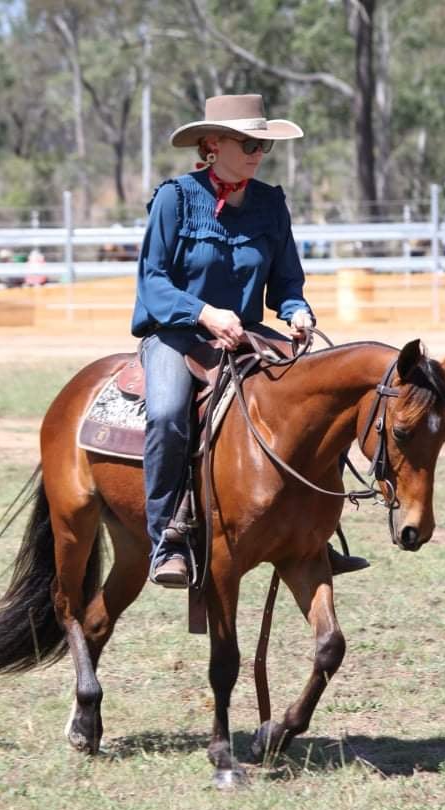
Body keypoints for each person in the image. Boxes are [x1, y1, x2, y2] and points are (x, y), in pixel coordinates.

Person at [131, 93, 314, 586]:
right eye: (248, 143)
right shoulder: (174, 198)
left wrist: (297, 311)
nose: (258, 153)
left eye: (263, 145)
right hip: (176, 334)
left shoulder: (270, 203)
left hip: (247, 335)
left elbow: (286, 283)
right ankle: (167, 540)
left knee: (318, 395)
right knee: (167, 414)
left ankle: (316, 529)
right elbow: (152, 282)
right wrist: (204, 313)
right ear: (213, 144)